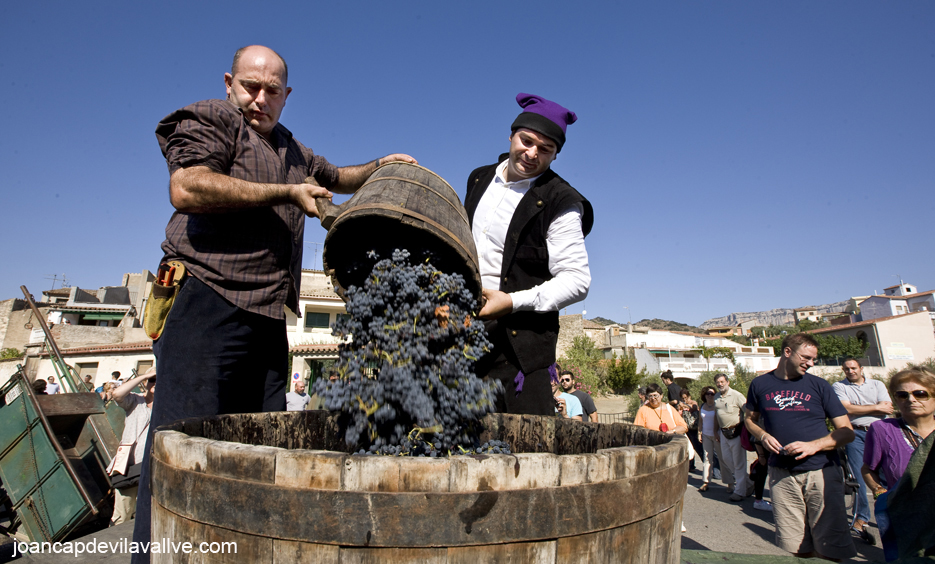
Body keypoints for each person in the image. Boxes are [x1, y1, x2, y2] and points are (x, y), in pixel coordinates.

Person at [133, 45, 416, 562]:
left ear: (288, 95)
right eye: (250, 86)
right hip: (206, 299)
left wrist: (382, 166)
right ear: (229, 83)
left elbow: (336, 179)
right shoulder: (216, 119)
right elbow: (186, 186)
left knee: (255, 443)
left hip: (266, 316)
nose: (259, 98)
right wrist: (284, 194)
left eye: (272, 90)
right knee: (181, 440)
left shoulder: (291, 147)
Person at [467, 93, 592, 416]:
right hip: (464, 337)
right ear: (511, 136)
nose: (532, 153)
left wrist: (510, 302)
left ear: (555, 156)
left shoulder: (561, 202)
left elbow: (577, 281)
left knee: (525, 450)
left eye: (546, 149)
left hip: (520, 353)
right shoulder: (479, 179)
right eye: (527, 140)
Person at [744, 333, 856, 560]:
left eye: (813, 359)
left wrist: (814, 446)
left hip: (822, 471)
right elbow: (749, 420)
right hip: (781, 475)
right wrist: (763, 436)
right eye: (806, 357)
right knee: (795, 546)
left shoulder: (820, 385)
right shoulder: (760, 384)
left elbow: (846, 431)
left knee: (829, 546)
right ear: (787, 352)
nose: (811, 363)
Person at [862, 367, 935, 560]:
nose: (911, 399)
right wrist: (880, 493)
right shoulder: (882, 429)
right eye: (902, 395)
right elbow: (868, 469)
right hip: (904, 516)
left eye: (920, 394)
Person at [832, 356, 892, 542]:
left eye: (853, 368)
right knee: (858, 478)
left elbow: (887, 409)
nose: (851, 371)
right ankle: (861, 519)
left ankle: (892, 514)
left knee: (887, 475)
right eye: (847, 369)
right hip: (855, 434)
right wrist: (875, 408)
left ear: (861, 368)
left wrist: (856, 408)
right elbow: (845, 410)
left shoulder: (877, 384)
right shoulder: (839, 387)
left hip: (880, 433)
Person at [109, 368, 156, 526]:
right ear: (145, 383)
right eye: (152, 380)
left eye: (159, 379)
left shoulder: (165, 406)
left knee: (145, 514)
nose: (156, 383)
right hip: (130, 466)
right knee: (123, 514)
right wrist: (145, 375)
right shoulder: (135, 401)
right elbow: (117, 394)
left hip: (151, 466)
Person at [713, 373, 749, 502]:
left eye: (722, 381)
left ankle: (739, 492)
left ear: (727, 382)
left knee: (739, 463)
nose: (720, 384)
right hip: (723, 433)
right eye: (718, 382)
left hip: (736, 432)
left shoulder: (736, 395)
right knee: (727, 460)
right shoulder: (716, 397)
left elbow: (747, 411)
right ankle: (748, 482)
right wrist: (715, 431)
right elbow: (717, 415)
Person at [698, 386, 720, 492]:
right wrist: (699, 433)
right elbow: (700, 421)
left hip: (717, 436)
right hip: (706, 435)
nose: (710, 395)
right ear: (704, 395)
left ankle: (730, 483)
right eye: (708, 393)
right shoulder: (702, 406)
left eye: (712, 394)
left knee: (722, 458)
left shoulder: (717, 406)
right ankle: (705, 482)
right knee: (707, 458)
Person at [680, 389, 702, 471]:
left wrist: (685, 405)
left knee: (698, 447)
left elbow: (694, 408)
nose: (685, 400)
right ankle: (691, 465)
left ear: (689, 396)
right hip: (686, 428)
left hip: (693, 427)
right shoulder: (681, 404)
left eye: (686, 397)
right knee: (689, 447)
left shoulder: (693, 402)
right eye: (683, 398)